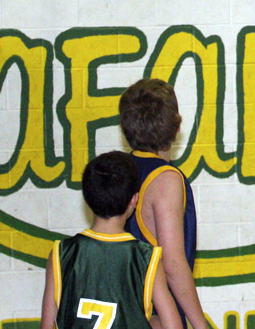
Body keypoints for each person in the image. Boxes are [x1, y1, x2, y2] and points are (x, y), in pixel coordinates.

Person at [40, 151, 182, 329]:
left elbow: (46, 325)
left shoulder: (60, 254)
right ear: (134, 199)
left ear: (87, 197)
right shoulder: (146, 258)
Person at [119, 79, 206, 329]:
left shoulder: (119, 169)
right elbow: (173, 263)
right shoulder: (166, 179)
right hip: (156, 315)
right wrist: (200, 324)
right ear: (176, 127)